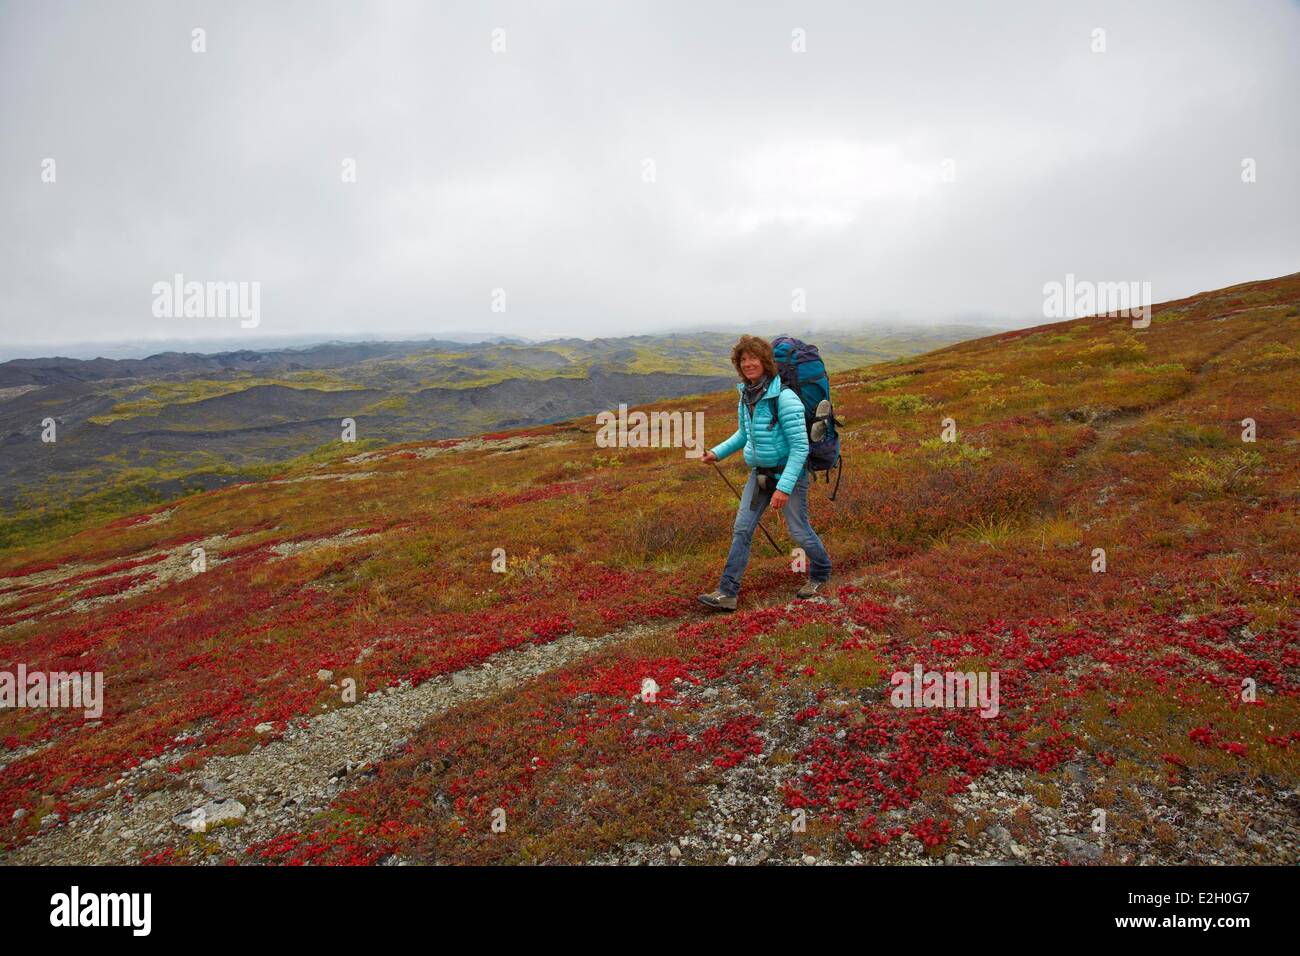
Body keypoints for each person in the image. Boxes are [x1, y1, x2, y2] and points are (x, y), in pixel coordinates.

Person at [698, 335, 832, 611]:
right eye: (742, 359)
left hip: (789, 474)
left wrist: (783, 488)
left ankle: (821, 572)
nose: (748, 364)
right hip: (759, 473)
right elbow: (744, 434)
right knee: (742, 530)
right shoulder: (746, 395)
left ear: (766, 362)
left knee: (798, 530)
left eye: (753, 358)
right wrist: (717, 452)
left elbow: (799, 448)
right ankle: (727, 592)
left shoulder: (784, 398)